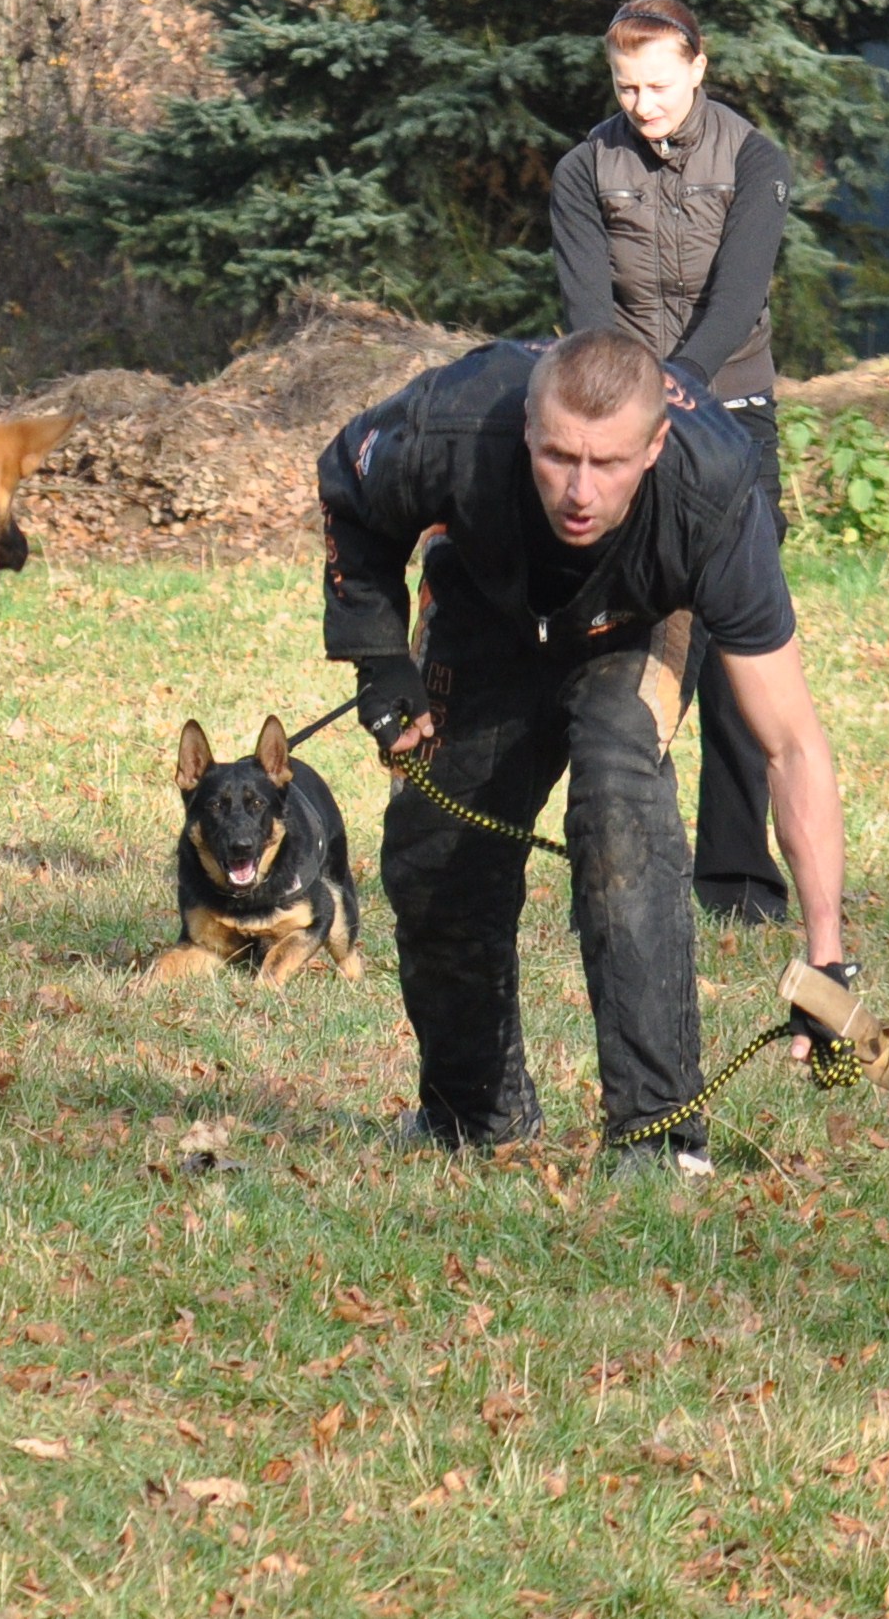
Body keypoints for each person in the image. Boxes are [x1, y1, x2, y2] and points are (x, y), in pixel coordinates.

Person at [317, 328, 855, 1175]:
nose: (578, 490)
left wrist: (826, 956)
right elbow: (351, 493)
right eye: (559, 456)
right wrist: (378, 656)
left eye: (607, 464)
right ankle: (473, 1114)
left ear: (655, 444)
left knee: (618, 812)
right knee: (432, 854)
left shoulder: (713, 493)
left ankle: (657, 1135)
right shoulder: (454, 424)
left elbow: (791, 743)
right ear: (527, 430)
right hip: (488, 609)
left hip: (641, 624)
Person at [548, 0, 796, 925]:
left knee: (740, 644)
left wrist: (682, 393)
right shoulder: (584, 169)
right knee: (624, 635)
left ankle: (737, 882)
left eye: (658, 84)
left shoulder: (754, 160)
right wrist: (632, 412)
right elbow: (587, 310)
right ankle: (616, 870)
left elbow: (739, 297)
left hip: (730, 411)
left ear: (699, 67)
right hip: (621, 423)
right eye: (626, 87)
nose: (643, 103)